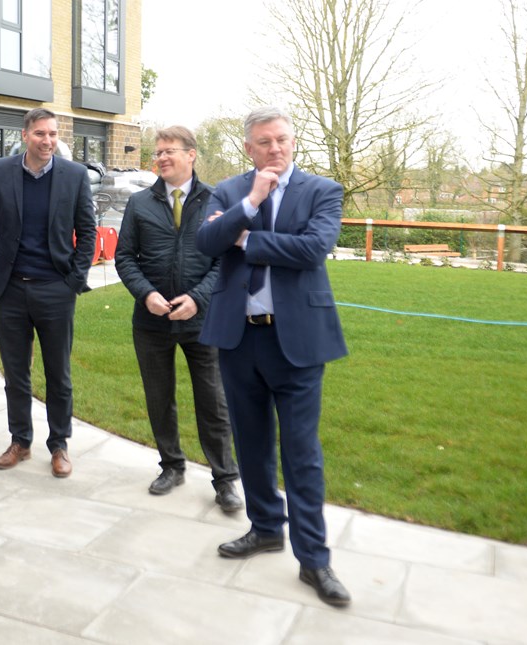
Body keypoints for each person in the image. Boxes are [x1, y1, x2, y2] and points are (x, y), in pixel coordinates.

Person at [195, 106, 351, 607]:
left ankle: (315, 559)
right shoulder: (227, 190)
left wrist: (243, 237)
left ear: (292, 141)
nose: (276, 148)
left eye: (283, 139)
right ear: (249, 148)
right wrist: (251, 204)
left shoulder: (321, 190)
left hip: (298, 341)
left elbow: (313, 248)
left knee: (301, 452)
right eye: (265, 142)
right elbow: (205, 242)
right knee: (252, 441)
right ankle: (265, 528)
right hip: (240, 338)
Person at [115, 126, 243, 512]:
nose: (162, 157)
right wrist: (146, 294)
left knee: (213, 403)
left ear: (192, 155)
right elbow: (124, 257)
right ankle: (171, 466)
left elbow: (226, 260)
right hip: (151, 322)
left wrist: (199, 298)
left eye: (170, 151)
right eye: (158, 152)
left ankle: (225, 480)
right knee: (159, 399)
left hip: (203, 322)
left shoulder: (217, 200)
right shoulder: (139, 203)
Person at [0, 108, 97, 478]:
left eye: (53, 134)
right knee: (16, 373)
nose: (48, 141)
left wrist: (74, 280)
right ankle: (20, 441)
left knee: (58, 374)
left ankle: (59, 445)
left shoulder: (74, 176)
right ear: (25, 135)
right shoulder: (2, 171)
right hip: (9, 291)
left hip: (55, 290)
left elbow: (87, 231)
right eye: (41, 134)